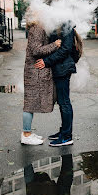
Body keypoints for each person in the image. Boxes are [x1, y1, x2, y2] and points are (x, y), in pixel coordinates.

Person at [21, 8, 61, 145]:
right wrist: (54, 45)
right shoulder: (37, 28)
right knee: (29, 105)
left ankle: (28, 132)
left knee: (30, 104)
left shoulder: (36, 28)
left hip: (33, 71)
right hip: (34, 72)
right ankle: (26, 134)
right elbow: (36, 50)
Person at [35, 22, 76, 146]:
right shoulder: (59, 22)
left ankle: (66, 136)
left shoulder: (66, 25)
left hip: (63, 69)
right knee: (62, 102)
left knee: (64, 102)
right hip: (60, 68)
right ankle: (64, 131)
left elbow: (65, 49)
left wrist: (46, 61)